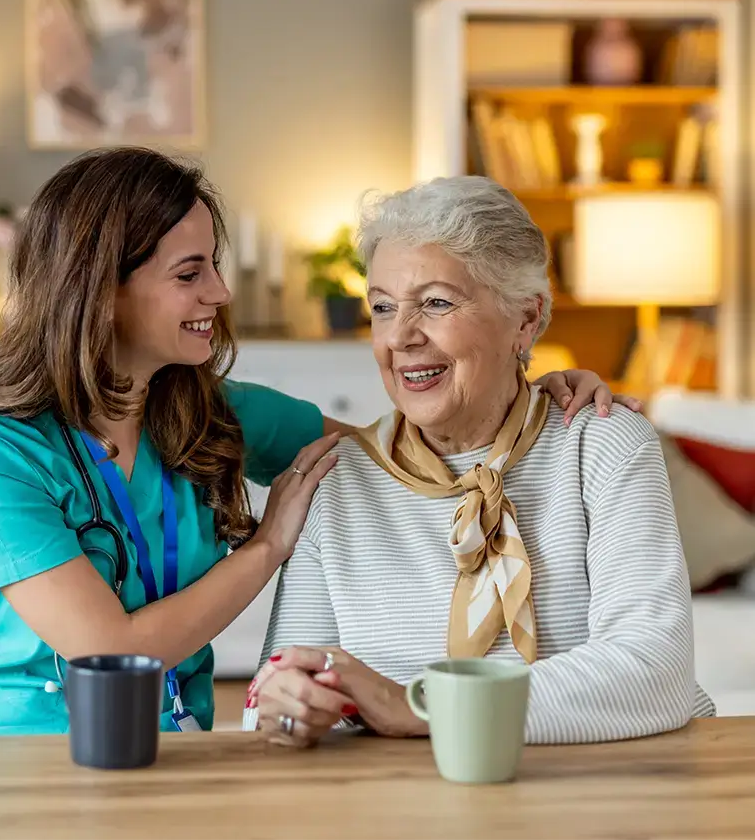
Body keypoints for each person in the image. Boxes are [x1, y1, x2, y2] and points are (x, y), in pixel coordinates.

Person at [0, 149, 632, 737]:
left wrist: (530, 390)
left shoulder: (213, 415)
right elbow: (109, 652)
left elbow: (416, 457)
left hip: (175, 751)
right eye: (189, 273)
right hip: (19, 751)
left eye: (214, 264)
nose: (222, 292)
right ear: (101, 289)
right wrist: (267, 547)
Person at [248, 175, 715, 747]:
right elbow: (272, 704)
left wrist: (422, 707)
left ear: (525, 319)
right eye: (383, 308)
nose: (400, 337)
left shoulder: (604, 444)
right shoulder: (335, 483)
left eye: (437, 303)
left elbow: (655, 673)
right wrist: (290, 708)